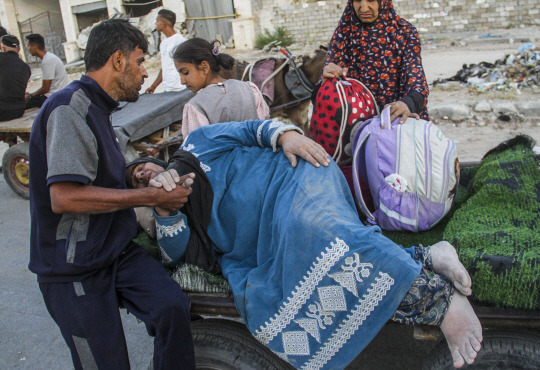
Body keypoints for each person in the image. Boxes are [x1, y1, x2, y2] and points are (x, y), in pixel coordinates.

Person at [127, 119, 483, 369]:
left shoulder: (196, 143)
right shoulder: (167, 213)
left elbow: (251, 129)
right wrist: (164, 207)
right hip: (265, 240)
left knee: (317, 227)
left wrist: (287, 137)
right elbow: (177, 258)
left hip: (293, 176)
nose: (141, 173)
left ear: (152, 159)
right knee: (285, 280)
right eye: (135, 181)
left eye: (140, 167)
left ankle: (440, 302)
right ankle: (426, 256)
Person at [29, 19, 196, 369]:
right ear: (118, 61)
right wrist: (150, 199)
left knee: (171, 307)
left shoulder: (101, 108)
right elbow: (65, 197)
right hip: (73, 266)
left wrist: (136, 173)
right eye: (139, 62)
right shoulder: (68, 108)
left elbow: (99, 171)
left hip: (115, 249)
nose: (143, 71)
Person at [321, 0, 429, 123]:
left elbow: (417, 81)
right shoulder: (343, 34)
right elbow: (323, 98)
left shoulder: (404, 33)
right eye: (357, 0)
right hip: (353, 126)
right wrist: (326, 84)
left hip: (395, 123)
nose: (364, 8)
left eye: (371, 0)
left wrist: (408, 103)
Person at [172, 37, 270, 139]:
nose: (182, 81)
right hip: (257, 154)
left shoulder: (196, 107)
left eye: (185, 73)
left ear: (204, 67)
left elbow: (196, 148)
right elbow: (265, 128)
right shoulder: (250, 89)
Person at [145, 9, 187, 94]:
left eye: (157, 21)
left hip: (181, 89)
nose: (155, 23)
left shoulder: (180, 41)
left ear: (164, 24)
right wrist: (153, 86)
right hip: (168, 90)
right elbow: (165, 67)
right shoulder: (163, 43)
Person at [25, 33, 70, 109]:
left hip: (52, 97)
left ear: (34, 47)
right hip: (57, 94)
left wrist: (31, 95)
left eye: (29, 46)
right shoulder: (49, 57)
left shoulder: (47, 61)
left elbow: (46, 88)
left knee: (22, 105)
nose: (28, 48)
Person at [0, 35, 31, 121]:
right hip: (19, 111)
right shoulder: (26, 67)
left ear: (3, 48)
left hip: (2, 111)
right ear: (19, 49)